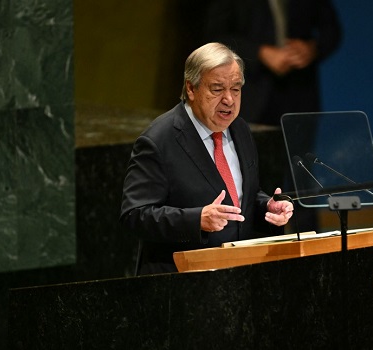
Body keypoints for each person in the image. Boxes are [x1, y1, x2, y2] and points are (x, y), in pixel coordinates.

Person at [120, 42, 294, 275]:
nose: (229, 100)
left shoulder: (239, 129)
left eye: (236, 89)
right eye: (217, 89)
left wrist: (268, 207)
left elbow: (242, 196)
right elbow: (135, 215)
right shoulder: (159, 141)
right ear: (191, 89)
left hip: (238, 275)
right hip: (180, 284)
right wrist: (196, 220)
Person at [204, 0, 342, 126]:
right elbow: (216, 36)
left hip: (300, 95)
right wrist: (259, 52)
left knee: (300, 153)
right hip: (248, 93)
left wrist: (312, 48)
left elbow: (331, 30)